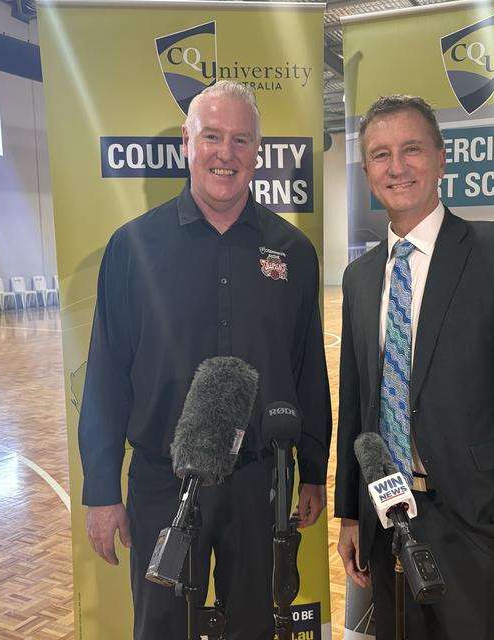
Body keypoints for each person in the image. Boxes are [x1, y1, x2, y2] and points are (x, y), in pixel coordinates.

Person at [78, 81, 331, 640]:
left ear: (257, 153)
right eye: (211, 136)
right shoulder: (132, 248)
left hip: (259, 482)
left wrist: (314, 470)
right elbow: (105, 378)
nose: (226, 152)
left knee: (255, 627)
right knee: (163, 627)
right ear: (187, 145)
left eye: (241, 140)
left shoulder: (292, 252)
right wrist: (101, 490)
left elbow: (307, 367)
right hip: (160, 480)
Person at [334, 95, 494, 639]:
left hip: (477, 526)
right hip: (386, 518)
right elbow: (357, 402)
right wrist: (350, 511)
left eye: (411, 149)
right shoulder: (360, 276)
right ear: (367, 171)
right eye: (380, 154)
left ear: (441, 158)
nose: (397, 167)